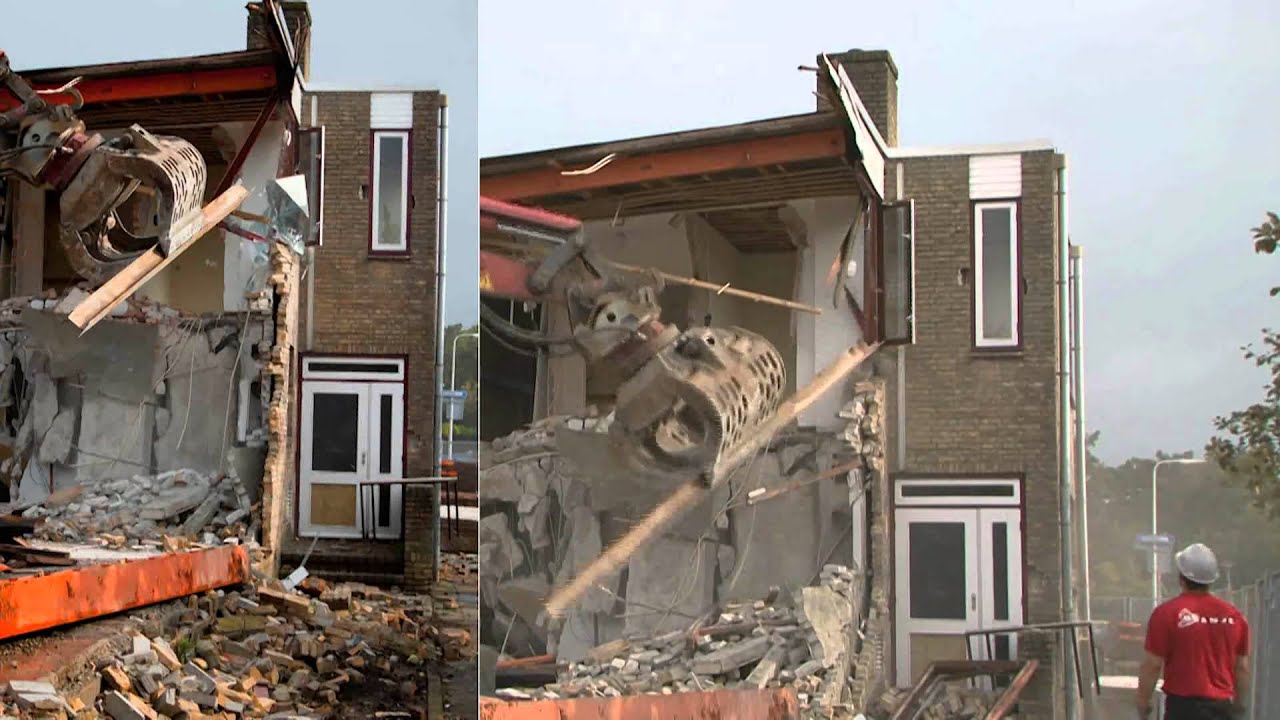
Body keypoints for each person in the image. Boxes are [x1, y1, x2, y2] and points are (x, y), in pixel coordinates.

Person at [1137, 543, 1251, 719]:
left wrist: (1143, 700)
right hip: (1221, 708)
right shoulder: (1234, 617)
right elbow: (1241, 668)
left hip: (1183, 708)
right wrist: (1239, 706)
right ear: (1212, 579)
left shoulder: (1166, 613)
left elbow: (1152, 664)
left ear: (1181, 578)